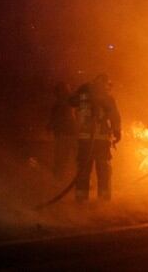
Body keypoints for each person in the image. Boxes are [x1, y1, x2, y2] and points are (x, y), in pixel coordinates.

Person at [72, 74, 121, 202]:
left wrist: (82, 91)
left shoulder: (84, 97)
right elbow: (114, 116)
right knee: (101, 170)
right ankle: (101, 199)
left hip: (88, 141)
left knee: (86, 170)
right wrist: (117, 132)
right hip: (99, 141)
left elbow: (72, 102)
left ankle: (83, 199)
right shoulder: (104, 98)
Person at [47, 82, 76, 179]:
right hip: (65, 135)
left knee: (63, 159)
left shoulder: (70, 104)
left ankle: (60, 177)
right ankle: (59, 178)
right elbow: (53, 120)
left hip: (68, 135)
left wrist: (50, 127)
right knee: (62, 159)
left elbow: (53, 120)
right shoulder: (62, 105)